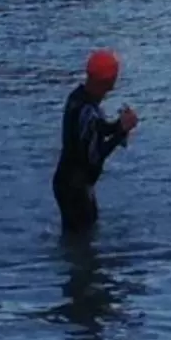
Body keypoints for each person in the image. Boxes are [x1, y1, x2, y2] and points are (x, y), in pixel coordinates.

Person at [54, 48, 137, 233]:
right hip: (75, 186)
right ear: (109, 82)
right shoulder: (88, 110)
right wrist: (121, 132)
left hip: (68, 181)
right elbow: (94, 157)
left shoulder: (78, 98)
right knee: (83, 239)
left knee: (80, 236)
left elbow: (97, 130)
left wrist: (119, 125)